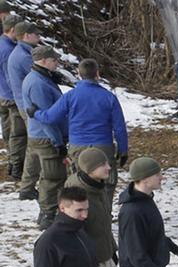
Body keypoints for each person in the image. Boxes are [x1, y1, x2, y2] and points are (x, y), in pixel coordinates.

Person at [31, 58, 129, 209]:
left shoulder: (71, 96)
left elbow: (50, 117)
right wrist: (123, 150)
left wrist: (35, 113)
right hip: (103, 147)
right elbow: (120, 128)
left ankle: (79, 214)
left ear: (79, 74)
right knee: (106, 185)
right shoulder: (109, 97)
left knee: (78, 183)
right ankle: (104, 215)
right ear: (97, 74)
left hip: (78, 147)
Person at [22, 45, 67, 229]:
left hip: (39, 136)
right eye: (54, 60)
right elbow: (46, 118)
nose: (57, 63)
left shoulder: (40, 77)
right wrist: (58, 142)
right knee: (53, 177)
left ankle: (48, 212)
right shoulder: (38, 83)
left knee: (51, 176)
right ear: (43, 60)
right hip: (46, 137)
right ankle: (48, 215)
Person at [8, 21, 40, 200]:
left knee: (34, 145)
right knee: (36, 145)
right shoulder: (23, 56)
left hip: (25, 104)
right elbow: (38, 76)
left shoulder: (21, 52)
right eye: (36, 34)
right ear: (27, 36)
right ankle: (28, 186)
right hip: (30, 107)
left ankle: (28, 185)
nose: (39, 37)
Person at [0, 15, 22, 182]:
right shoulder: (8, 50)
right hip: (10, 96)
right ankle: (16, 166)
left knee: (8, 130)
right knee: (17, 133)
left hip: (2, 94)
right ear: (13, 29)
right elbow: (10, 76)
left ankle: (12, 162)